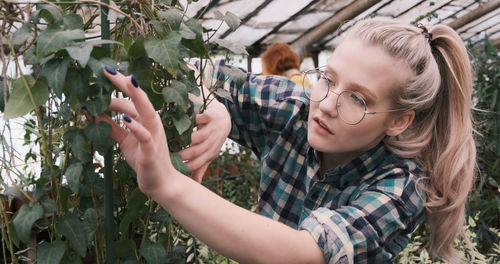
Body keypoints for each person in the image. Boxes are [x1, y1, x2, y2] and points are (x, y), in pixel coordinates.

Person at [98, 19, 476, 263]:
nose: (325, 104)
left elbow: (301, 254)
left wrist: (167, 182)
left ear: (399, 121)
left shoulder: (400, 186)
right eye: (328, 78)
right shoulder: (292, 109)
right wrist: (213, 103)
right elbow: (186, 72)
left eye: (358, 99)